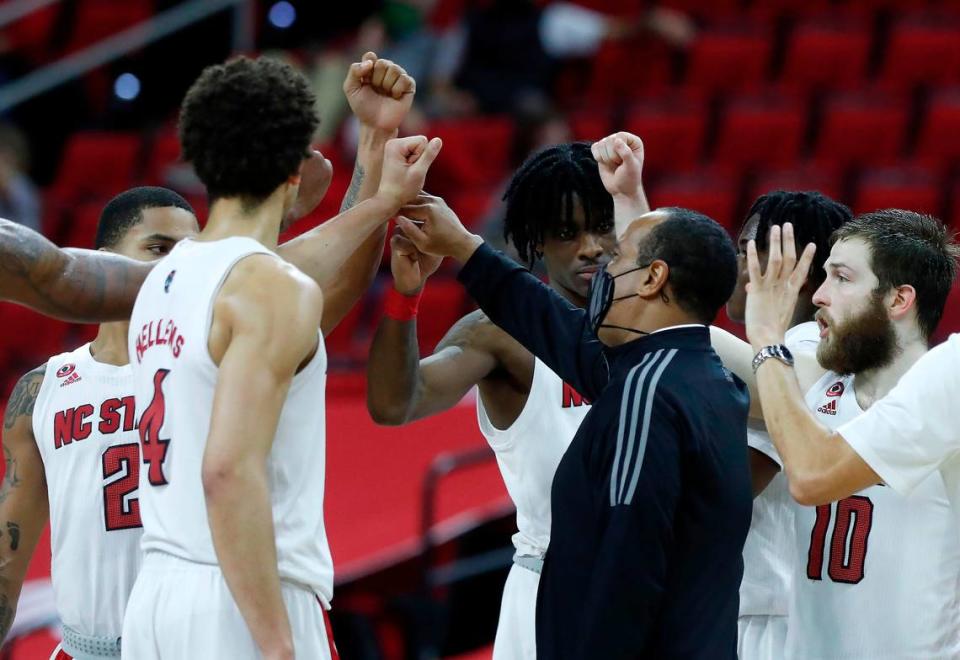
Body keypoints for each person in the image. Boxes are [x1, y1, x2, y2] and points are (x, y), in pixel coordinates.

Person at [119, 56, 439, 660]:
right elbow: (227, 472)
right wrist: (277, 647)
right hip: (240, 595)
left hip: (158, 595)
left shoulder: (173, 274)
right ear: (297, 169)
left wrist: (374, 144)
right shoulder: (266, 288)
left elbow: (319, 282)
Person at [394, 190, 750, 657]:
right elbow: (557, 328)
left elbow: (622, 567)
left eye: (618, 257)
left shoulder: (645, 392)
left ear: (653, 278)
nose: (603, 269)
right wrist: (465, 246)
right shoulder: (704, 377)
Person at [366, 136, 645, 660]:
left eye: (603, 226)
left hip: (652, 579)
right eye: (567, 233)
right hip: (554, 582)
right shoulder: (499, 335)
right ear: (537, 241)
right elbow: (395, 404)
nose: (590, 247)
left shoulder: (661, 332)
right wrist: (405, 298)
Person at [0, 50, 411, 333]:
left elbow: (334, 284)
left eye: (188, 245)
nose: (182, 257)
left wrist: (374, 141)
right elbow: (55, 272)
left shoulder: (228, 311)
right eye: (161, 249)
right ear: (109, 259)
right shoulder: (52, 384)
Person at [719, 211, 960, 657]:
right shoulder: (817, 379)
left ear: (898, 300)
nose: (821, 296)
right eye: (824, 276)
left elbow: (811, 477)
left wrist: (768, 339)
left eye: (842, 278)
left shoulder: (946, 392)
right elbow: (691, 336)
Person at [0, 188, 200, 659]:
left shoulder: (214, 366)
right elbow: (7, 561)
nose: (174, 269)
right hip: (86, 649)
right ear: (103, 261)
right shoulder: (41, 389)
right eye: (157, 249)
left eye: (190, 254)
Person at [718, 191, 850, 660]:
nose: (734, 263)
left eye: (747, 248)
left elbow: (727, 491)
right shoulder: (800, 349)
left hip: (777, 615)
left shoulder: (805, 352)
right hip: (779, 606)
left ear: (798, 262)